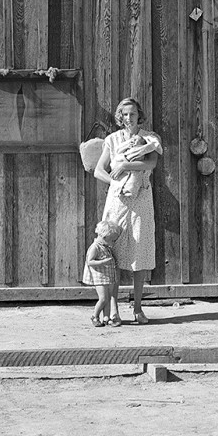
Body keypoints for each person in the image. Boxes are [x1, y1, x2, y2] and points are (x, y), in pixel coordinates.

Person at [93, 97, 161, 324]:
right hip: (117, 201)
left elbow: (150, 163)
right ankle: (113, 310)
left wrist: (125, 165)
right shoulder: (112, 140)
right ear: (119, 117)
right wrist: (115, 183)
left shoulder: (149, 138)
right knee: (112, 252)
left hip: (141, 198)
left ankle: (138, 308)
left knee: (139, 252)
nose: (129, 118)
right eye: (125, 114)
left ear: (139, 115)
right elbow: (99, 170)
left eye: (132, 114)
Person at [82, 220, 122, 326]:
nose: (113, 243)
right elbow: (90, 261)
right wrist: (103, 262)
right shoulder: (95, 247)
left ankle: (106, 318)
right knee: (103, 298)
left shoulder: (106, 247)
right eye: (112, 240)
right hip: (99, 277)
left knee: (108, 298)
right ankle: (95, 316)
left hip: (107, 277)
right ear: (104, 237)